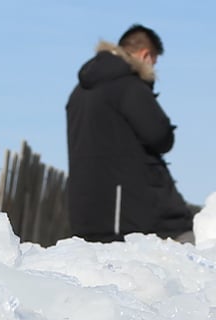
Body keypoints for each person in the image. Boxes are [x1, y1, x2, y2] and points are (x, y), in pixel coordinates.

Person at [66, 24, 197, 243]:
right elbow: (159, 136)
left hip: (87, 212)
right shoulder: (129, 85)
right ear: (146, 55)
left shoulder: (78, 93)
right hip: (136, 215)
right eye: (154, 62)